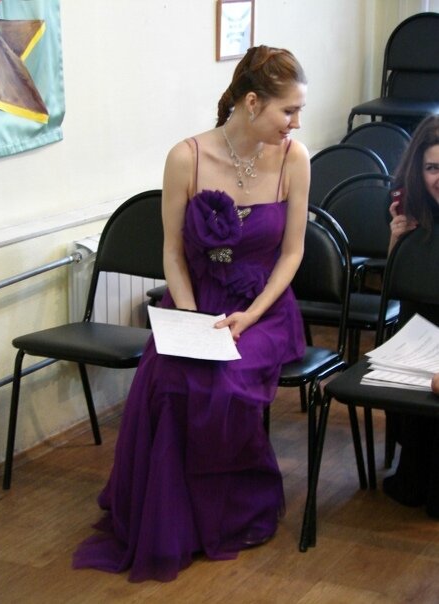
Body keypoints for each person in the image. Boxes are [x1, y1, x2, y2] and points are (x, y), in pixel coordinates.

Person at [72, 45, 310, 582]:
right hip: (196, 300)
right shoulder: (187, 157)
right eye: (289, 110)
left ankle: (226, 512)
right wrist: (190, 318)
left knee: (222, 382)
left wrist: (250, 315)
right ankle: (170, 518)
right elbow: (173, 253)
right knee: (164, 376)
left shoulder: (295, 158)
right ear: (253, 102)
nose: (296, 123)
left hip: (263, 309)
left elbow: (292, 253)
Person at [383, 114, 439, 517]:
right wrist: (396, 240)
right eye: (433, 168)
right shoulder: (409, 207)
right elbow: (397, 285)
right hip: (417, 332)